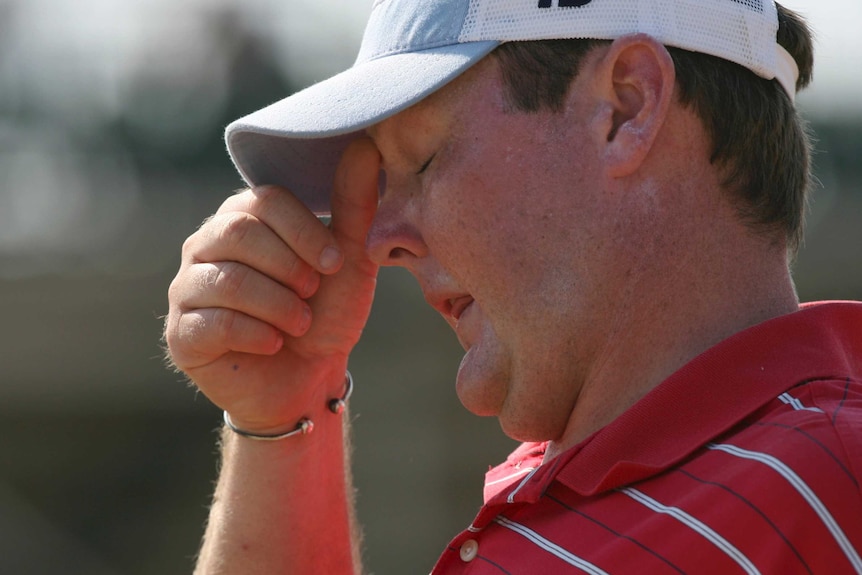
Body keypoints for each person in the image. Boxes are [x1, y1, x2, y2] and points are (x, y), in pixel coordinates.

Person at [164, 0, 862, 573]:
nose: (380, 239)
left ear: (627, 105)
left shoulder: (835, 485)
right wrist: (285, 419)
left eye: (424, 159)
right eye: (382, 185)